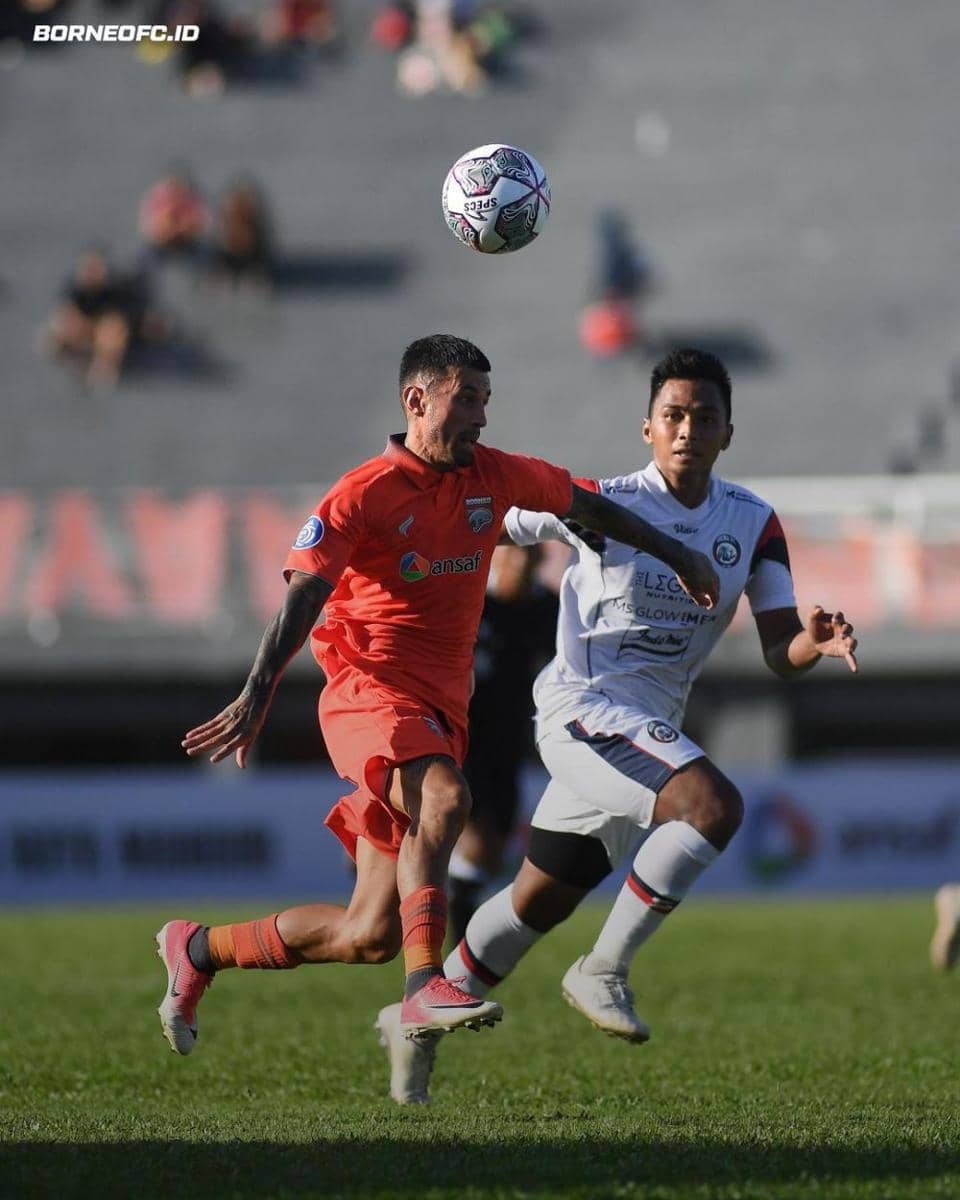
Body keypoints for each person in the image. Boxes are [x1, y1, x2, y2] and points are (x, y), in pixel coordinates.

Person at [157, 334, 719, 1065]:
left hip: (438, 708)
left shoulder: (494, 475)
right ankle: (426, 984)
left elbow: (591, 507)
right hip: (370, 691)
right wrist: (258, 692)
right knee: (446, 800)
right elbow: (304, 595)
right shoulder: (362, 493)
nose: (482, 416)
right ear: (417, 401)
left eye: (487, 400)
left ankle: (196, 949)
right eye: (467, 399)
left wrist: (681, 556)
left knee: (366, 933)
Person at [378, 346, 859, 1103]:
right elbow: (488, 522)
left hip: (645, 734)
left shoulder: (754, 523)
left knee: (539, 899)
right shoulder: (601, 501)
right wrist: (398, 540)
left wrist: (814, 641)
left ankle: (412, 1019)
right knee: (713, 807)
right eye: (673, 415)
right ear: (646, 428)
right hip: (582, 714)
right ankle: (601, 969)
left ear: (729, 432)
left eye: (705, 417)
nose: (688, 429)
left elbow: (778, 649)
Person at [448, 543, 559, 944]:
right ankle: (458, 948)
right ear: (496, 558)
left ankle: (452, 896)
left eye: (529, 557)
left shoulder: (549, 608)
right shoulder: (468, 598)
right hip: (459, 733)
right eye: (512, 555)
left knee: (493, 849)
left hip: (509, 735)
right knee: (472, 834)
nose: (520, 565)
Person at [930, 884, 960, 969]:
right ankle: (940, 963)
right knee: (949, 928)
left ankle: (947, 962)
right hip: (951, 896)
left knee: (954, 931)